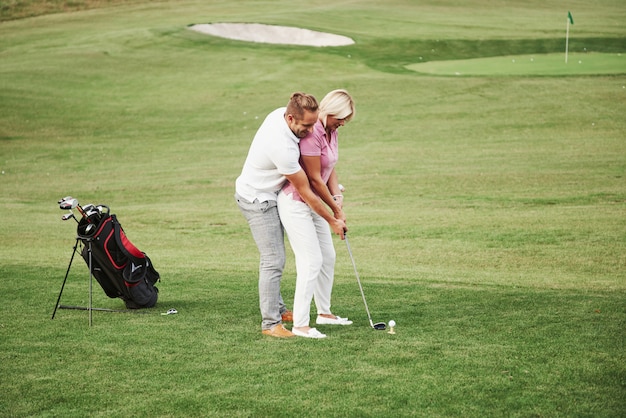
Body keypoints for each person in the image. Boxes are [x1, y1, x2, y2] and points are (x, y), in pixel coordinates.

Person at [235, 92, 347, 338]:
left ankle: (280, 308)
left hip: (274, 194)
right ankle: (270, 324)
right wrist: (332, 219)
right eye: (306, 126)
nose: (310, 131)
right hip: (257, 198)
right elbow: (306, 190)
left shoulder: (283, 114)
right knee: (273, 259)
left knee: (285, 256)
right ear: (290, 118)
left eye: (313, 124)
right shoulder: (283, 146)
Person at [277, 89, 356, 339]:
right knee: (311, 261)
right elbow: (313, 178)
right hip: (297, 203)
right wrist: (334, 213)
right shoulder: (313, 135)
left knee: (328, 257)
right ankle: (300, 324)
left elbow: (329, 168)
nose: (343, 123)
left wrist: (338, 203)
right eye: (340, 118)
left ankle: (324, 313)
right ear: (329, 112)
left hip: (318, 203)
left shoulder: (332, 132)